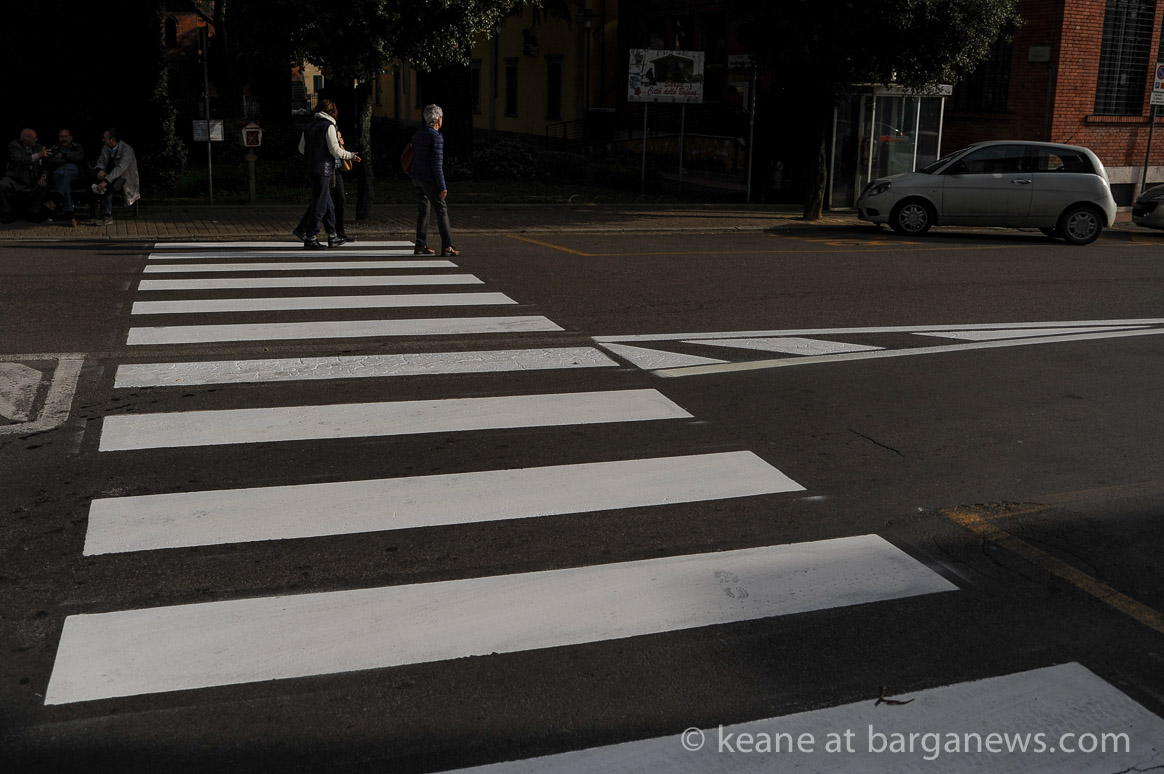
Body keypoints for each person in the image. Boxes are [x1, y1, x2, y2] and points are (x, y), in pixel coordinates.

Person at [294, 99, 359, 249]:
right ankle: (311, 237)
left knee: (328, 203)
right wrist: (351, 156)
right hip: (324, 169)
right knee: (320, 204)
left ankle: (332, 235)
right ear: (332, 112)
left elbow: (301, 148)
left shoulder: (309, 126)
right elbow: (335, 150)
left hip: (311, 168)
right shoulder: (328, 127)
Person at [410, 104, 459, 257]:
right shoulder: (436, 137)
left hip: (416, 176)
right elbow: (437, 165)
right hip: (429, 179)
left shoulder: (419, 134)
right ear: (438, 119)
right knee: (441, 210)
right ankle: (447, 246)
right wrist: (442, 186)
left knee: (423, 211)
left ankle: (420, 244)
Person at [0, 128, 50, 223]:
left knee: (43, 184)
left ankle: (33, 212)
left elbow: (45, 166)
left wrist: (43, 176)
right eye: (34, 138)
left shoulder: (39, 147)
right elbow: (20, 160)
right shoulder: (14, 146)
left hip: (33, 179)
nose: (36, 140)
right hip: (17, 178)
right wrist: (38, 155)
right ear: (25, 140)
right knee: (3, 184)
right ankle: (7, 213)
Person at [93, 128, 140, 226]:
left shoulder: (127, 150)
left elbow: (120, 169)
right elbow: (101, 161)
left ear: (112, 140)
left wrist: (106, 180)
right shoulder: (106, 148)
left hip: (123, 178)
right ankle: (95, 212)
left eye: (105, 138)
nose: (103, 140)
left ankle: (107, 215)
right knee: (94, 180)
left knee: (108, 187)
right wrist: (100, 170)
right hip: (108, 175)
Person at [47, 128, 88, 227]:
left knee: (66, 175)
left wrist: (63, 155)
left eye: (65, 136)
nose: (63, 139)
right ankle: (70, 217)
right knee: (66, 185)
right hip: (57, 176)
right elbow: (50, 162)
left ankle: (55, 200)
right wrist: (68, 160)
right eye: (61, 137)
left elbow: (79, 157)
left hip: (74, 177)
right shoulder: (53, 148)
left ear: (70, 138)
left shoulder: (77, 147)